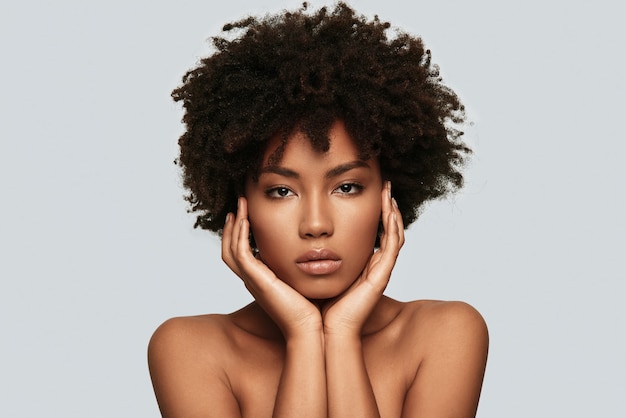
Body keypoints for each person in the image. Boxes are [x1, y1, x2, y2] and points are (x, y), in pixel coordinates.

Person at [148, 3, 488, 417]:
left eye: (346, 187)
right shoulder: (189, 349)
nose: (315, 225)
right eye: (281, 192)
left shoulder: (446, 335)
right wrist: (304, 333)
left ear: (388, 195)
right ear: (241, 206)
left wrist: (341, 333)